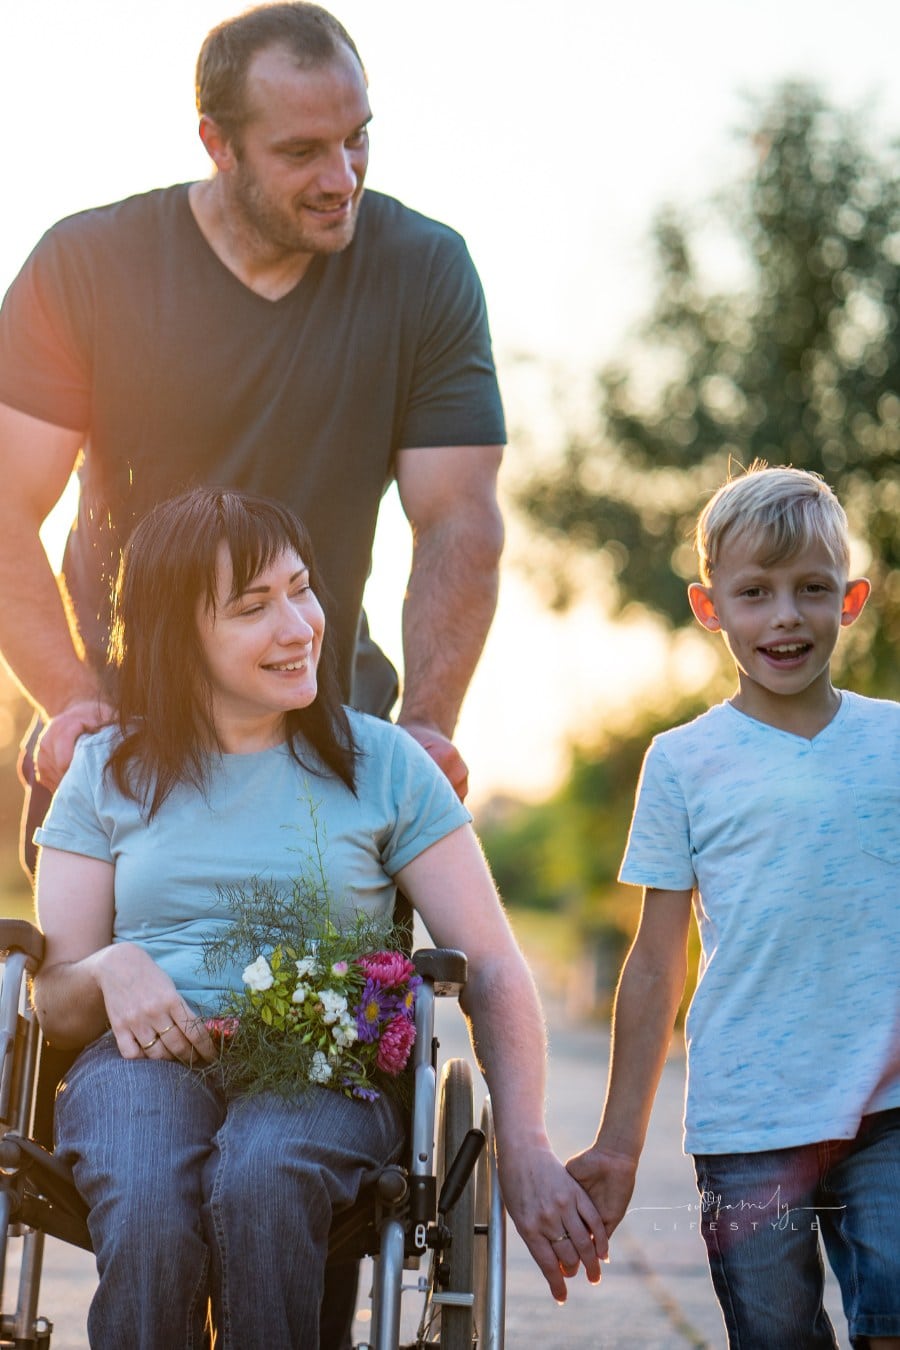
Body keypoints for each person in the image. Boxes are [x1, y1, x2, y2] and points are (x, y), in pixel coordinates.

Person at [32, 487, 604, 1349]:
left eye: (302, 589)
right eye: (255, 607)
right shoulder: (106, 770)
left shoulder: (384, 765)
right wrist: (113, 970)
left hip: (328, 1064)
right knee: (148, 1197)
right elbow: (54, 1001)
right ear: (178, 634)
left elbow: (490, 964)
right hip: (139, 1064)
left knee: (264, 1176)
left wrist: (521, 1141)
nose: (298, 625)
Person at [0, 1, 505, 873]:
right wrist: (75, 701)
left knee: (345, 1011)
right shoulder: (88, 265)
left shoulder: (424, 271)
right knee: (100, 1004)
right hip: (123, 743)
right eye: (302, 152)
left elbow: (459, 518)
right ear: (218, 143)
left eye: (358, 138)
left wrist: (427, 727)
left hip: (329, 740)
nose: (342, 176)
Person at [567, 464, 900, 1349]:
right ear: (710, 607)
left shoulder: (894, 741)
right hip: (749, 1117)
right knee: (774, 1335)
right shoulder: (683, 763)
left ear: (853, 599)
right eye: (755, 593)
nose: (785, 616)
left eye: (812, 590)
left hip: (889, 1105)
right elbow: (654, 962)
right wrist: (617, 1145)